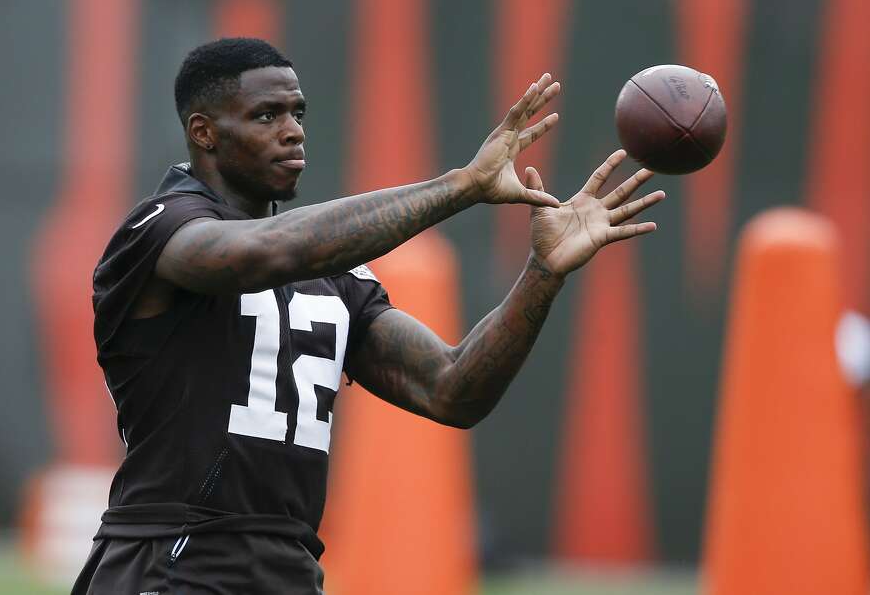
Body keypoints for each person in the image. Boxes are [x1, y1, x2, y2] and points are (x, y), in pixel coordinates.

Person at [72, 37, 665, 594]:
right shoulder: (159, 230)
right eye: (266, 116)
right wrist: (460, 187)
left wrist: (543, 274)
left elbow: (451, 389)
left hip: (288, 565)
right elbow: (264, 251)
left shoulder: (335, 274)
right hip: (174, 556)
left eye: (298, 114)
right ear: (204, 133)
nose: (292, 133)